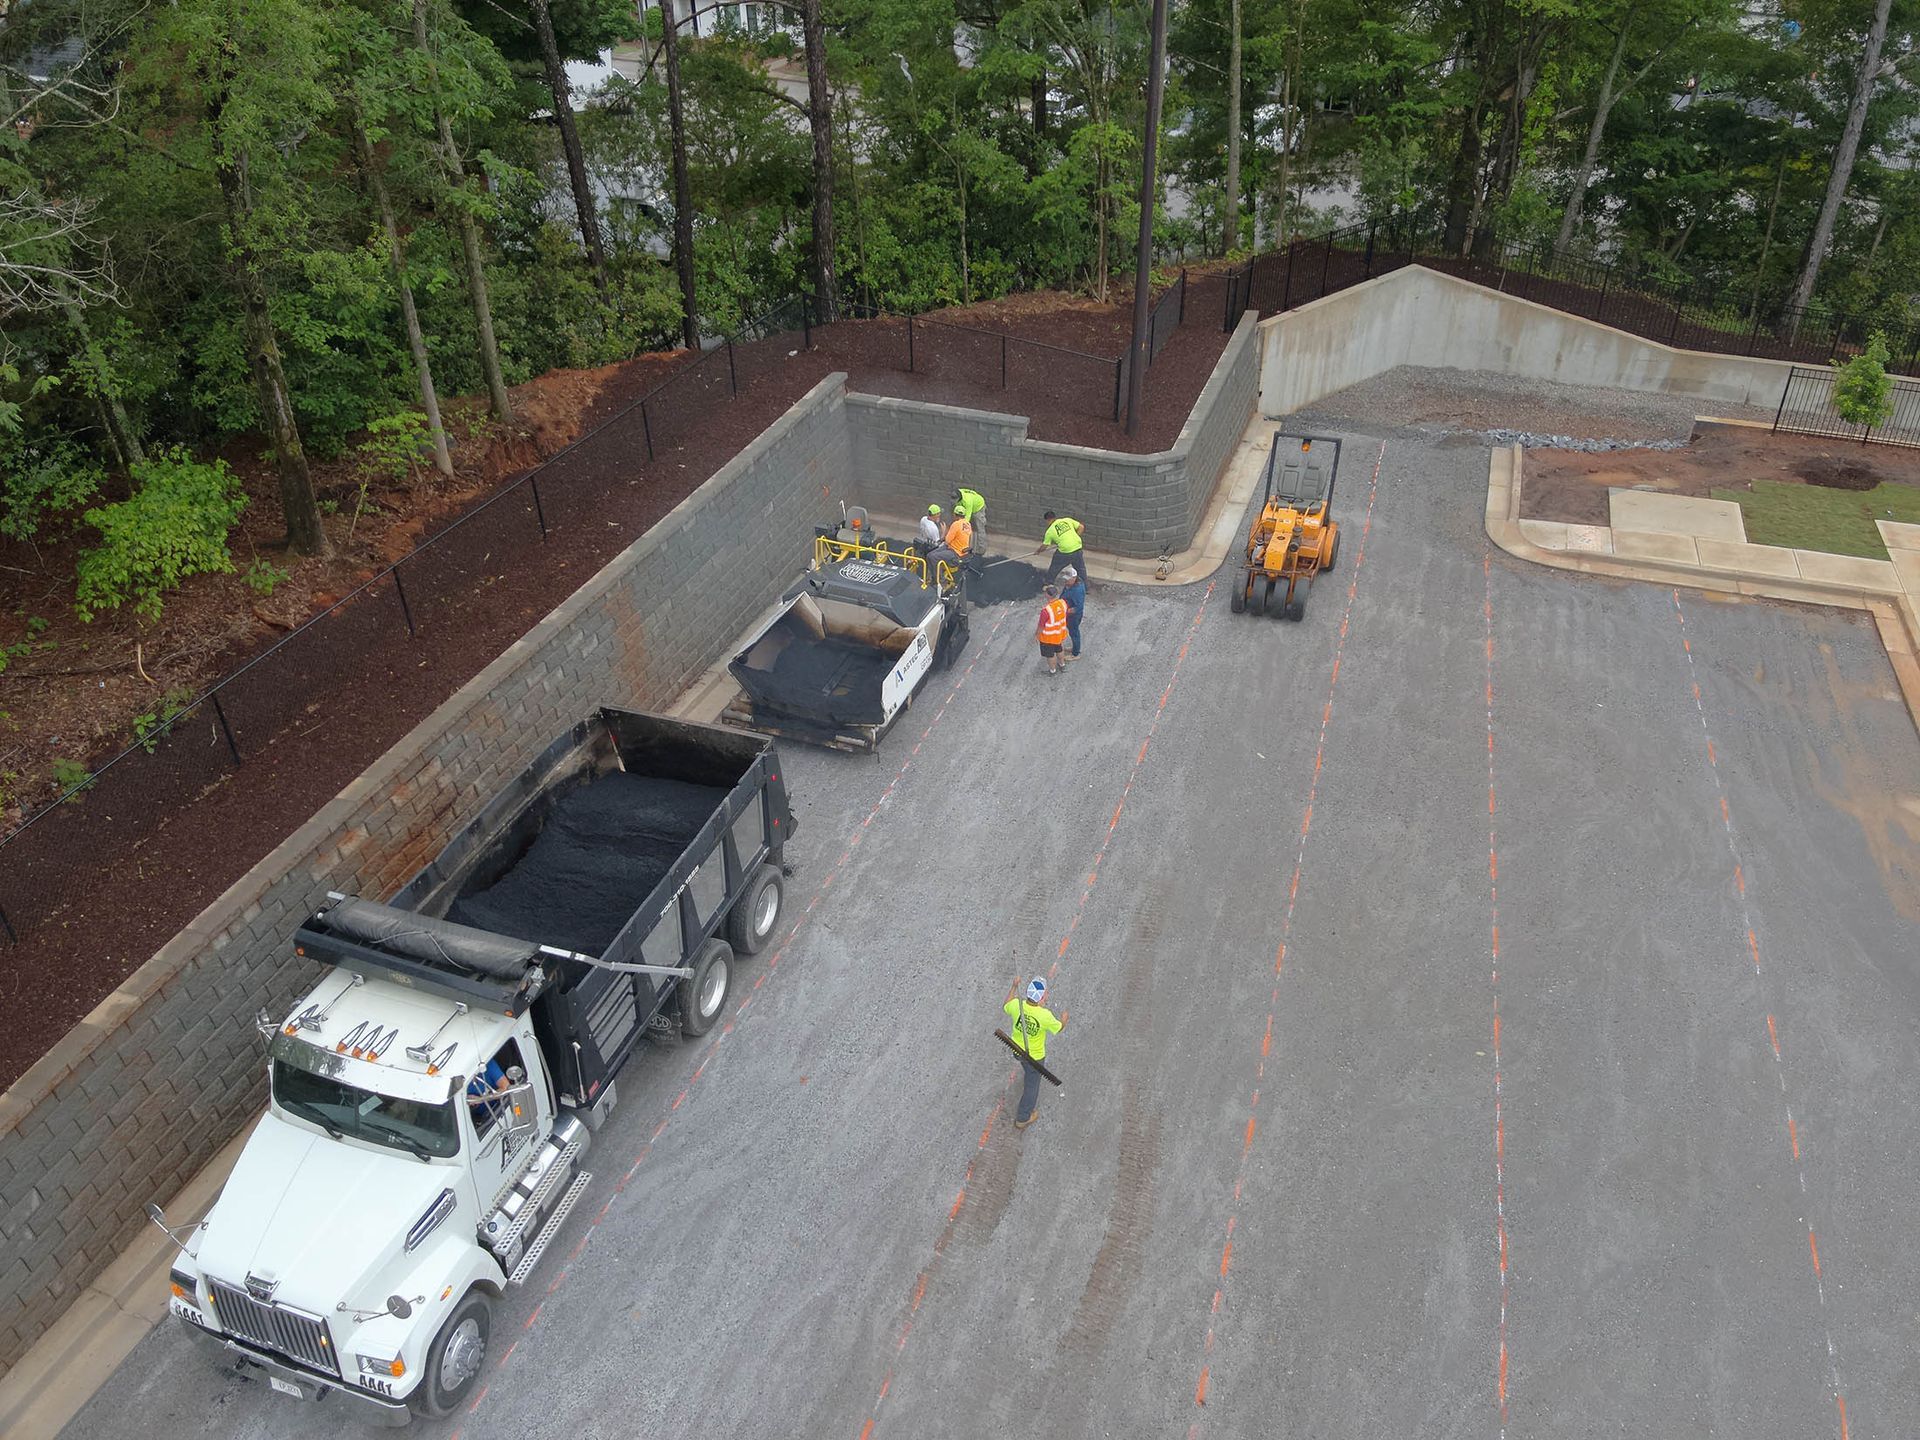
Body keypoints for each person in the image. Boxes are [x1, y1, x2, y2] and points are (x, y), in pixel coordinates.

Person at [1003, 976, 1065, 1129]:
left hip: (1016, 1049)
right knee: (1032, 1085)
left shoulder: (1017, 1005)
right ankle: (1023, 1117)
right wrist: (1064, 1019)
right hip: (1034, 1057)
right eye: (1045, 994)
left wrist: (1013, 986)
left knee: (1026, 1067)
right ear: (1042, 998)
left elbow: (1006, 1004)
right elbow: (1058, 1028)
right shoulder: (1045, 1016)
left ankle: (1026, 1069)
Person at [929, 511, 973, 583]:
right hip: (961, 550)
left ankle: (939, 580)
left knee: (932, 557)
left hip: (955, 552)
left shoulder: (956, 524)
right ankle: (937, 572)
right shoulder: (967, 524)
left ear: (955, 515)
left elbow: (947, 540)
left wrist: (943, 536)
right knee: (931, 555)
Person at [1039, 511, 1084, 578]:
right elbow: (1081, 527)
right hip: (1078, 548)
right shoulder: (1067, 520)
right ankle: (1084, 585)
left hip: (1066, 552)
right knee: (1081, 570)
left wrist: (1038, 551)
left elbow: (1045, 546)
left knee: (1054, 567)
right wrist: (1076, 537)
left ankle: (1048, 583)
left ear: (1048, 520)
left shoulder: (1050, 531)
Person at [1037, 584, 1069, 675]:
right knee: (1059, 649)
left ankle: (1052, 671)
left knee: (1050, 655)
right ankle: (1062, 665)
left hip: (1048, 638)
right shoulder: (1063, 603)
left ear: (1048, 595)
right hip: (1059, 634)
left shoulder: (1046, 610)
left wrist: (1037, 635)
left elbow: (1041, 626)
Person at [1059, 565, 1086, 662]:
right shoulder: (1070, 584)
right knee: (1072, 632)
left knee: (1074, 633)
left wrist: (1064, 611)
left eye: (1068, 579)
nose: (1066, 581)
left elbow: (1078, 607)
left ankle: (1075, 653)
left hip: (1073, 617)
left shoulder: (1077, 591)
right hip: (1068, 614)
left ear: (1074, 578)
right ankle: (1075, 648)